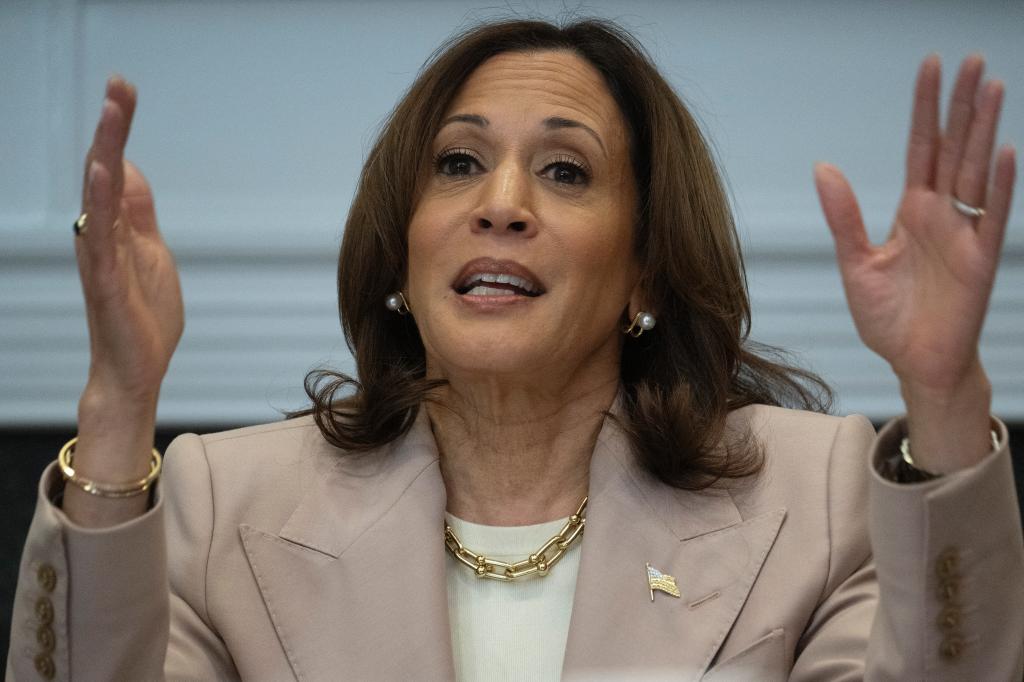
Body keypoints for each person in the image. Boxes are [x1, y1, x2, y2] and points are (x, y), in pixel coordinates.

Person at [7, 17, 1023, 681]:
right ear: (402, 253)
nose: (500, 205)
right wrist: (118, 402)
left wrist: (940, 396)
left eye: (566, 172)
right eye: (457, 164)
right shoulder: (221, 504)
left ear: (644, 273)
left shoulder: (816, 497)